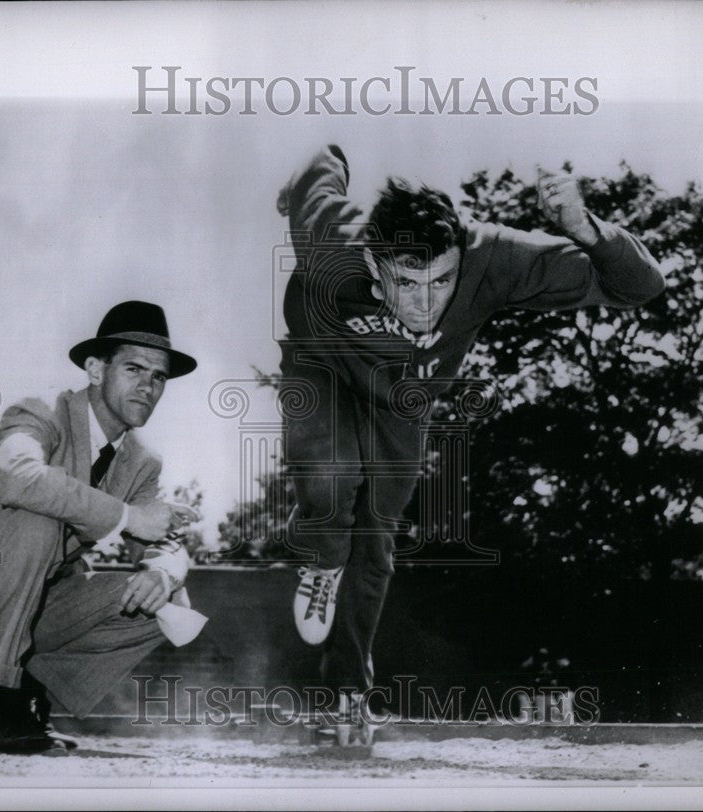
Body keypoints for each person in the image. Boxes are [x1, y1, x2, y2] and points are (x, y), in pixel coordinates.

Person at [276, 145, 666, 744]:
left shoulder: (494, 257)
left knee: (377, 534)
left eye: (442, 281)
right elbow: (315, 174)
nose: (426, 303)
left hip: (402, 398)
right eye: (406, 283)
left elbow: (639, 286)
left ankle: (349, 692)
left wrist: (583, 227)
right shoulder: (332, 242)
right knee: (332, 480)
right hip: (322, 363)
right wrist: (328, 160)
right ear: (376, 267)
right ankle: (322, 560)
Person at [0, 300, 198, 755]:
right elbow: (19, 477)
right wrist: (131, 516)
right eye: (134, 368)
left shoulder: (142, 462)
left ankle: (29, 704)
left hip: (33, 600)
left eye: (159, 377)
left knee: (165, 602)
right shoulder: (40, 412)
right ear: (95, 370)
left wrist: (163, 571)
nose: (148, 386)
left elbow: (159, 541)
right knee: (37, 520)